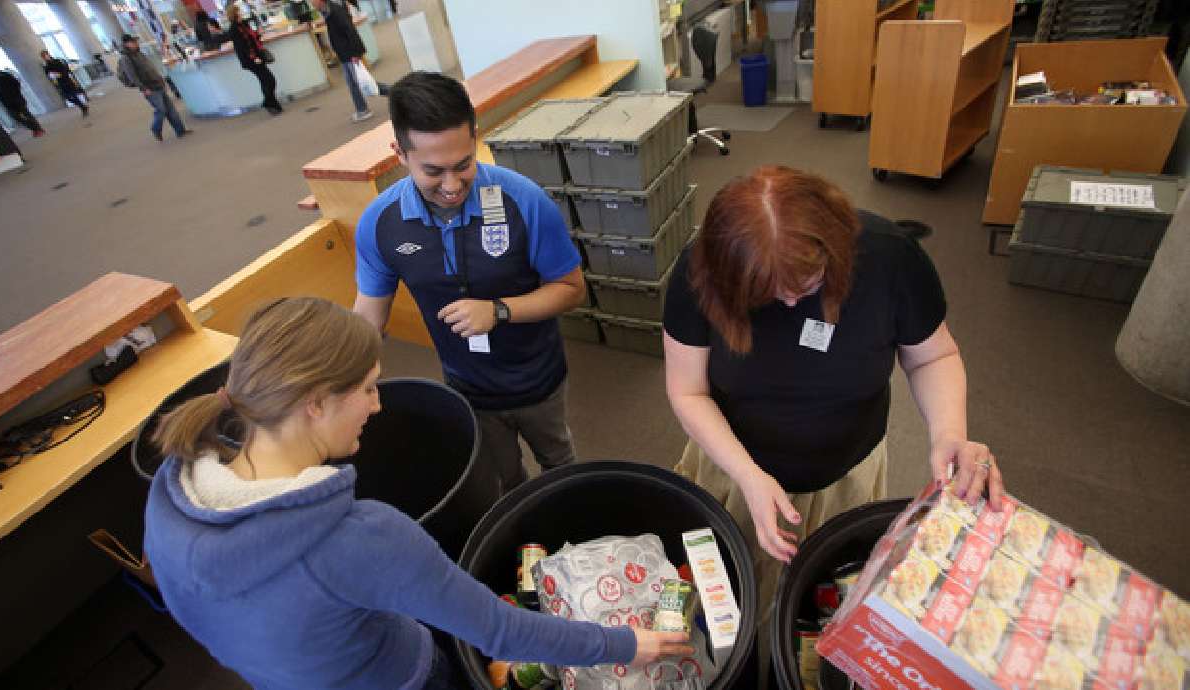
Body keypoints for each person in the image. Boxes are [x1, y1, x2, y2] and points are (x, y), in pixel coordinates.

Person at [144, 297, 692, 689]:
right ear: (314, 403)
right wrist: (625, 644)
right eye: (365, 388)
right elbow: (499, 632)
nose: (377, 404)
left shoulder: (172, 497)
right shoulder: (361, 539)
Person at [662, 166, 1006, 683]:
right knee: (728, 603)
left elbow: (932, 357)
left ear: (835, 248)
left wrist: (949, 432)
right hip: (734, 468)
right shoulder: (700, 271)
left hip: (846, 472)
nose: (790, 303)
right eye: (766, 294)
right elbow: (688, 389)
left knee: (825, 603)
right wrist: (750, 476)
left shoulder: (890, 258)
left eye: (806, 284)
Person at [353, 72, 585, 495]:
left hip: (538, 379)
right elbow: (369, 318)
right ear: (399, 154)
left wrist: (498, 310)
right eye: (433, 171)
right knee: (505, 482)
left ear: (475, 138)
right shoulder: (379, 224)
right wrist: (337, 378)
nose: (452, 185)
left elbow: (571, 289)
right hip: (466, 387)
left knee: (561, 465)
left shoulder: (524, 200)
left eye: (463, 164)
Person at [116, 33, 191, 141]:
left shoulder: (139, 53)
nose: (136, 43)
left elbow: (150, 68)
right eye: (133, 42)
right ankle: (155, 129)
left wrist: (161, 79)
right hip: (149, 88)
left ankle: (180, 131)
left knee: (171, 109)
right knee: (161, 110)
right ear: (127, 44)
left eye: (136, 41)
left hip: (157, 83)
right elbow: (132, 76)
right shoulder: (125, 58)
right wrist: (143, 88)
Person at [310, 0, 373, 122]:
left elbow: (350, 31)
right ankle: (362, 109)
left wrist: (355, 53)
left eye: (313, 2)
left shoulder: (336, 11)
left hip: (350, 53)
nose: (312, 5)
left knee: (364, 82)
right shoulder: (327, 11)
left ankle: (395, 93)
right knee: (354, 83)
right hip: (344, 53)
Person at [226, 4, 282, 114]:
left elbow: (252, 38)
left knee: (266, 81)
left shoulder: (244, 24)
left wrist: (258, 34)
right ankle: (269, 103)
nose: (241, 12)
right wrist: (254, 58)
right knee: (269, 80)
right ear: (234, 14)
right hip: (251, 60)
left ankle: (271, 104)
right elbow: (242, 47)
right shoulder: (233, 29)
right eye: (239, 11)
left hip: (256, 56)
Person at [0, 60, 45, 137]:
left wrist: (15, 94)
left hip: (16, 99)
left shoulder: (3, 74)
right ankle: (35, 128)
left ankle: (38, 129)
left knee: (26, 114)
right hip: (7, 101)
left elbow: (16, 83)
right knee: (17, 117)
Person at [40, 50, 89, 117]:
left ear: (48, 55)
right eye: (44, 56)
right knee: (68, 98)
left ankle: (83, 107)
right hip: (60, 83)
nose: (46, 57)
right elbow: (48, 74)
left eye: (46, 55)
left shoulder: (57, 61)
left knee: (74, 95)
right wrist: (52, 75)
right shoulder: (47, 66)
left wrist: (59, 74)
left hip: (66, 80)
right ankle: (83, 106)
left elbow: (65, 70)